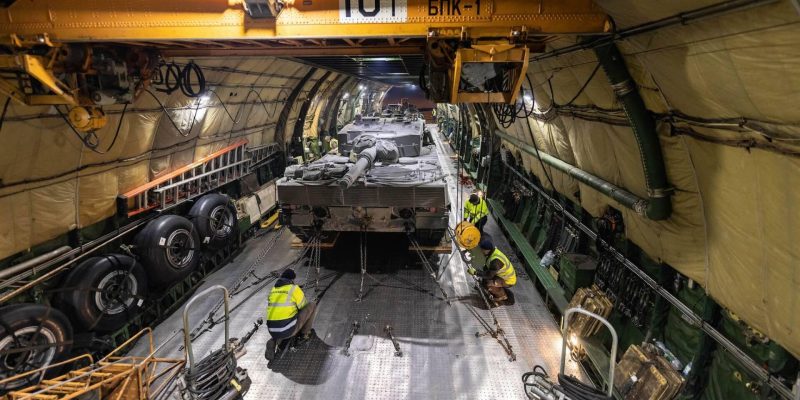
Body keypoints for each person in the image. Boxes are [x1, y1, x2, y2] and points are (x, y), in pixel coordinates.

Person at [265, 269, 317, 358]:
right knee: (311, 305)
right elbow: (303, 306)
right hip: (287, 330)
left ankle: (274, 340)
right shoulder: (294, 288)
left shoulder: (273, 290)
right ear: (292, 279)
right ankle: (304, 334)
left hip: (271, 330)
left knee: (282, 317)